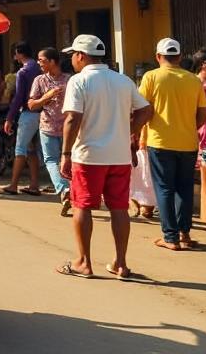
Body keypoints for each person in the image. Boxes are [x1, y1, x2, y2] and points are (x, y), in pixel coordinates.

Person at [58, 34, 152, 280]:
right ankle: (121, 264)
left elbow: (72, 118)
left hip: (88, 156)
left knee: (83, 206)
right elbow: (146, 110)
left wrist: (66, 153)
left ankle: (83, 262)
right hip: (119, 156)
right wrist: (127, 132)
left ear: (81, 56)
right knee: (119, 208)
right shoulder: (123, 81)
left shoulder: (79, 81)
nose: (72, 61)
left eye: (73, 56)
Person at [139, 38, 206, 251]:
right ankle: (184, 233)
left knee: (165, 189)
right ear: (179, 57)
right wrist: (188, 127)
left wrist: (137, 134)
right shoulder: (193, 80)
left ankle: (170, 237)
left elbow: (143, 109)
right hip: (188, 142)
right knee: (185, 188)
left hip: (160, 142)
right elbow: (203, 114)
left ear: (158, 57)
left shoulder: (151, 77)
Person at [28, 48, 72, 215]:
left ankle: (67, 191)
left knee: (68, 161)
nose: (39, 63)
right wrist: (47, 96)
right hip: (48, 126)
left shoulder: (70, 80)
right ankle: (64, 190)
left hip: (69, 127)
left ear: (53, 61)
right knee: (51, 160)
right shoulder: (39, 80)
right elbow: (31, 105)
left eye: (42, 60)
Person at [2, 42, 43, 196]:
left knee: (20, 149)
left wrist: (9, 118)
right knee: (31, 149)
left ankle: (13, 185)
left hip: (28, 112)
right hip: (42, 112)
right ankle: (34, 184)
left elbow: (19, 96)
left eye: (15, 53)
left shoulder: (23, 72)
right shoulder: (39, 68)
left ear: (19, 53)